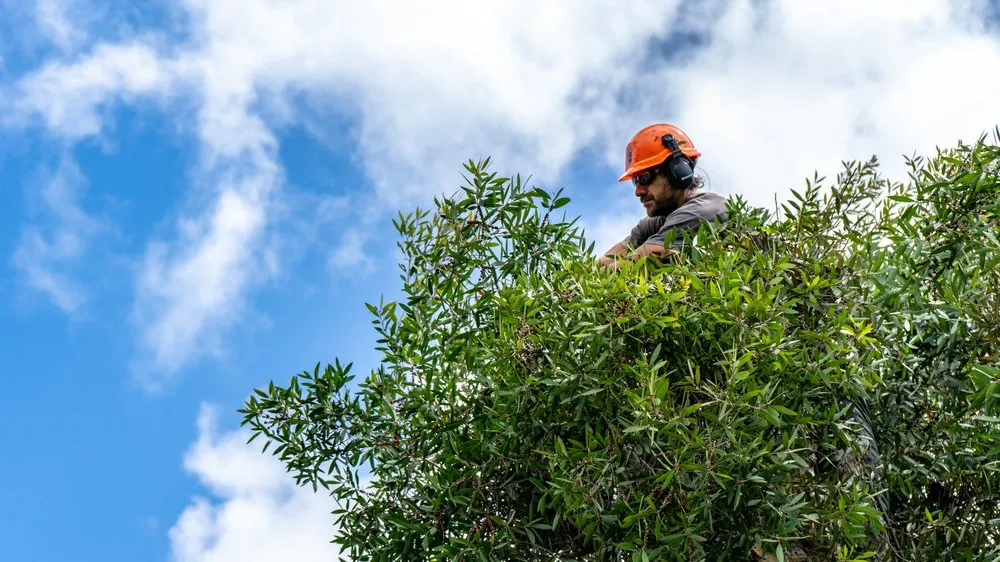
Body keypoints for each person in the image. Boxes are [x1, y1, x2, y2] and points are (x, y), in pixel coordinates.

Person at [598, 123, 728, 272]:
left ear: (677, 171)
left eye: (645, 177)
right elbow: (611, 257)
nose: (638, 191)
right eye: (636, 181)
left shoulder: (701, 212)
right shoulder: (663, 219)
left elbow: (634, 265)